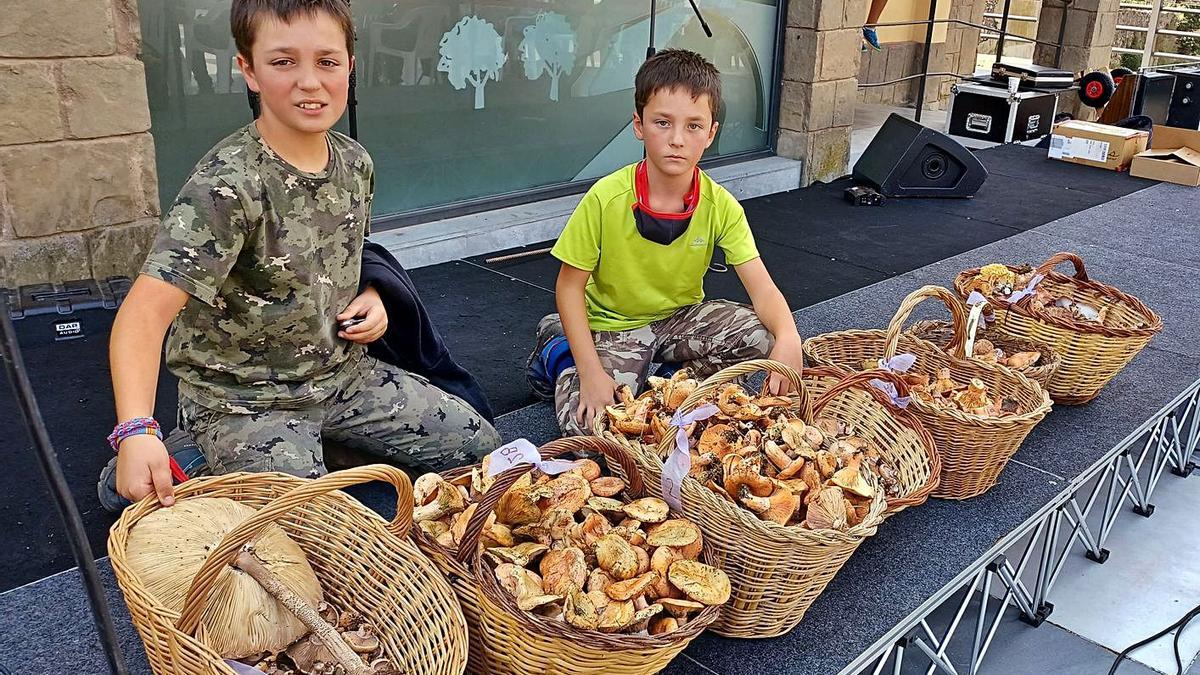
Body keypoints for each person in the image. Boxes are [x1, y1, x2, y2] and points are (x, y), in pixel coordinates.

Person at [108, 0, 499, 508]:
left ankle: (314, 451)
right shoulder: (227, 186)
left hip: (342, 378)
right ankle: (189, 451)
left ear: (350, 66)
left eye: (327, 62)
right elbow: (142, 315)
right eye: (283, 61)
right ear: (248, 70)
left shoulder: (355, 163)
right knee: (314, 535)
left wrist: (374, 294)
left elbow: (340, 256)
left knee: (481, 450)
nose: (310, 82)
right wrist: (135, 430)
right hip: (244, 400)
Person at [526, 49, 805, 438]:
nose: (677, 139)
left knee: (766, 338)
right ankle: (558, 352)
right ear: (638, 125)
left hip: (679, 320)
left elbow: (762, 289)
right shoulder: (606, 198)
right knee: (593, 434)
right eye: (662, 122)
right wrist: (591, 373)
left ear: (711, 133)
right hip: (612, 325)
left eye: (693, 126)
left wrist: (790, 337)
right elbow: (568, 286)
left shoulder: (720, 204)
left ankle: (670, 381)